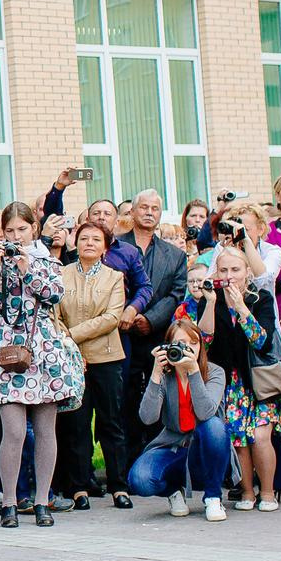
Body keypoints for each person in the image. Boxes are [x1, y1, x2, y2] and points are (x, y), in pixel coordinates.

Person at [0, 202, 81, 526]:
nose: (15, 236)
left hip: (43, 351)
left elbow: (54, 295)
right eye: (8, 231)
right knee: (12, 431)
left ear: (33, 230)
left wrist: (27, 268)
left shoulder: (47, 260)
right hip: (7, 352)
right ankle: (9, 503)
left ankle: (42, 501)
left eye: (21, 230)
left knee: (44, 429)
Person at [200, 245, 281, 512]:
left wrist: (241, 308)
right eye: (224, 269)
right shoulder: (210, 297)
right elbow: (205, 341)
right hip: (229, 382)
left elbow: (262, 341)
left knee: (261, 437)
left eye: (236, 269)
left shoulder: (261, 297)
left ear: (248, 272)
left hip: (259, 379)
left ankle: (268, 493)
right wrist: (209, 303)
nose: (230, 275)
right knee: (240, 440)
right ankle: (247, 492)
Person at [56, 219, 128, 509]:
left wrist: (73, 335)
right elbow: (53, 314)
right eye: (84, 238)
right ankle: (79, 487)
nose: (89, 243)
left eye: (96, 239)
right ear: (76, 241)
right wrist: (69, 343)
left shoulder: (114, 278)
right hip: (72, 360)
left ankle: (118, 487)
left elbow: (112, 318)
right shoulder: (61, 275)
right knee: (76, 424)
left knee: (111, 424)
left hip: (107, 358)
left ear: (105, 247)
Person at [130, 316, 231, 521]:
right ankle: (172, 491)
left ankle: (213, 497)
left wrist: (193, 371)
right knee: (139, 479)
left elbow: (205, 413)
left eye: (194, 343)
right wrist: (156, 373)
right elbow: (147, 418)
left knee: (215, 426)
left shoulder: (215, 372)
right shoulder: (165, 375)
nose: (188, 349)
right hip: (173, 446)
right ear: (168, 346)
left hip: (205, 447)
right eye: (181, 344)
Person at [118, 189, 187, 451]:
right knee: (125, 399)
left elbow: (175, 294)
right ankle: (127, 463)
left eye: (154, 208)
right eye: (143, 207)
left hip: (156, 336)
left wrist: (149, 319)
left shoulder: (175, 255)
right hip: (121, 335)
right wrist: (128, 314)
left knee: (159, 395)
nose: (148, 212)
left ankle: (158, 455)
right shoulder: (115, 246)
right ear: (132, 212)